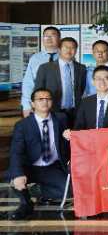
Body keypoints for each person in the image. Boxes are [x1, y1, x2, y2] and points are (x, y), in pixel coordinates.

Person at [7, 88, 70, 220]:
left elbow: (68, 141)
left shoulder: (61, 119)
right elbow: (16, 152)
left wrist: (69, 136)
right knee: (15, 180)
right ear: (33, 104)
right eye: (40, 99)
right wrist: (18, 174)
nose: (44, 102)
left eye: (48, 99)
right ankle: (26, 204)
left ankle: (37, 190)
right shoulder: (23, 125)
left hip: (52, 167)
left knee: (69, 190)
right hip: (30, 166)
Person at [34, 37, 87, 124]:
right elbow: (38, 91)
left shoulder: (81, 68)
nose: (69, 50)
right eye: (66, 47)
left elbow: (81, 89)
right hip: (53, 111)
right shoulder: (45, 68)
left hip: (75, 112)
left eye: (72, 48)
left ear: (76, 51)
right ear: (59, 50)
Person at [21, 26, 61, 117]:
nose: (49, 38)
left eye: (52, 35)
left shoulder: (65, 57)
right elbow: (28, 83)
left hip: (60, 105)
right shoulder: (35, 58)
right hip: (39, 105)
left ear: (59, 38)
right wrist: (27, 105)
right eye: (46, 36)